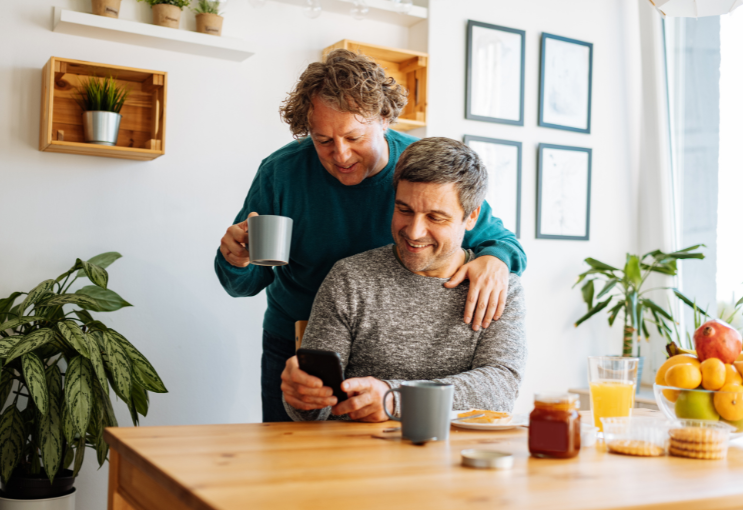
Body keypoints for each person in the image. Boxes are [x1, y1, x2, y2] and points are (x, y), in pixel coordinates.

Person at [214, 50, 527, 423]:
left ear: (384, 119)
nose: (340, 154)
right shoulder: (282, 174)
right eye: (323, 140)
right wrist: (236, 259)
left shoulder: (419, 169)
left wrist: (496, 259)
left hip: (392, 350)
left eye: (353, 136)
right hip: (299, 344)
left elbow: (493, 236)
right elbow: (245, 281)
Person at [281, 137, 526, 422]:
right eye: (405, 210)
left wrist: (394, 398)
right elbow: (313, 414)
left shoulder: (499, 288)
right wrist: (303, 398)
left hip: (457, 456)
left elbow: (500, 389)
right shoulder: (350, 279)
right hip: (357, 456)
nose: (414, 231)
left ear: (471, 217)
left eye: (436, 217)